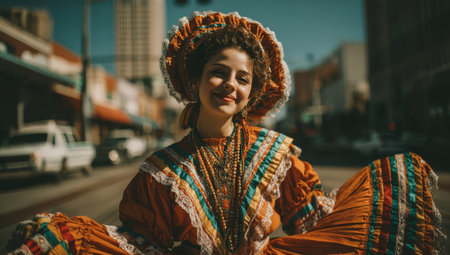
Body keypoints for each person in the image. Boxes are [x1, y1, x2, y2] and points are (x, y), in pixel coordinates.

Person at [6, 11, 446, 255]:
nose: (230, 86)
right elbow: (140, 244)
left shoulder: (275, 153)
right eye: (219, 73)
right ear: (195, 81)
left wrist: (367, 215)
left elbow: (311, 221)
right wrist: (69, 241)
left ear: (252, 91)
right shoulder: (160, 171)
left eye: (242, 79)